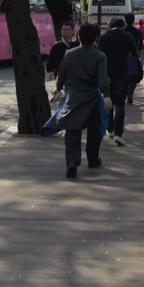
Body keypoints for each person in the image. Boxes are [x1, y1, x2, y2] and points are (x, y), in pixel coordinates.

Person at [46, 23, 113, 179]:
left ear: (79, 37)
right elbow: (102, 78)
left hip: (74, 96)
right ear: (95, 39)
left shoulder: (70, 54)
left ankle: (72, 162)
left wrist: (59, 86)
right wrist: (107, 95)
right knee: (95, 130)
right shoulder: (100, 56)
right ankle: (93, 159)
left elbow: (61, 74)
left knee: (72, 129)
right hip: (93, 97)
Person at [97, 17, 137, 146]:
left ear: (110, 25)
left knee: (108, 103)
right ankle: (118, 134)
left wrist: (103, 75)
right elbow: (135, 54)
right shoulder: (128, 36)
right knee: (120, 105)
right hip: (122, 74)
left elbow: (100, 58)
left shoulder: (103, 38)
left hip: (107, 75)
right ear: (123, 26)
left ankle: (110, 129)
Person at [124, 12, 144, 104]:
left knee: (126, 75)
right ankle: (131, 89)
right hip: (134, 55)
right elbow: (140, 44)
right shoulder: (137, 31)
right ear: (133, 20)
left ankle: (127, 90)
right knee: (137, 74)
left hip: (124, 56)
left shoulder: (123, 31)